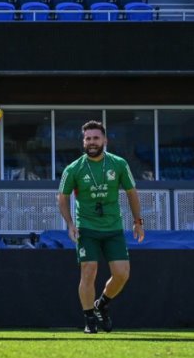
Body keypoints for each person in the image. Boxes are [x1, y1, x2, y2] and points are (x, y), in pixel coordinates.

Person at [57, 120, 145, 334]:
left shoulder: (119, 164)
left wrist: (137, 221)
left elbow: (132, 192)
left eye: (96, 138)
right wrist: (70, 224)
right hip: (86, 228)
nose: (92, 142)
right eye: (88, 138)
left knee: (122, 274)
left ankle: (101, 304)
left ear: (105, 140)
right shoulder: (73, 168)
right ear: (83, 141)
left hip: (113, 227)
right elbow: (62, 197)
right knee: (89, 271)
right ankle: (89, 320)